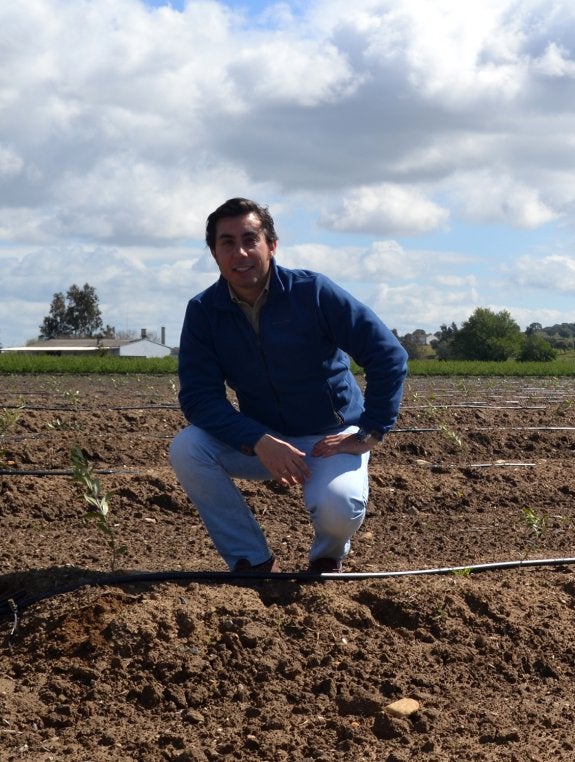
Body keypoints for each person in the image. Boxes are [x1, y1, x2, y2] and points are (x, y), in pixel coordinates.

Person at [169, 197, 408, 574]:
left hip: (330, 438)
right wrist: (257, 439)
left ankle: (327, 557)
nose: (240, 252)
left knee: (338, 507)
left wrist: (371, 430)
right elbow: (199, 396)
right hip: (263, 439)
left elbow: (388, 355)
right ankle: (251, 560)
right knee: (187, 448)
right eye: (227, 242)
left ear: (272, 245)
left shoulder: (312, 292)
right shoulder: (204, 311)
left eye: (250, 239)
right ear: (214, 253)